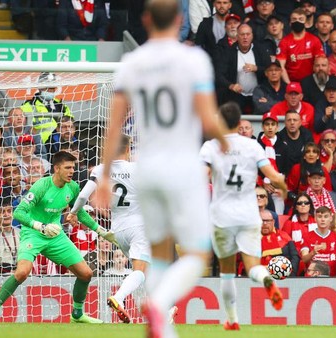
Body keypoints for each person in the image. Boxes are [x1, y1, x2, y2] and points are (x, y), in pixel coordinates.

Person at [97, 1, 230, 336]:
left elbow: (115, 127)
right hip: (182, 166)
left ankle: (158, 321)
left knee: (157, 253)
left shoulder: (132, 63)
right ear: (181, 21)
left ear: (145, 20)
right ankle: (159, 304)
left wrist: (105, 176)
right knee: (198, 254)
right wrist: (225, 142)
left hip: (149, 169)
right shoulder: (193, 59)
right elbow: (206, 115)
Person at [0, 151, 115, 323]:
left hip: (55, 235)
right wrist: (40, 226)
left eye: (73, 167)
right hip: (33, 234)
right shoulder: (41, 186)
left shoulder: (72, 187)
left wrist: (102, 231)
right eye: (67, 168)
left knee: (86, 274)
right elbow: (19, 213)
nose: (72, 171)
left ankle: (77, 314)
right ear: (57, 168)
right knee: (21, 273)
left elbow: (79, 213)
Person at [200, 102, 286, 330]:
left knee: (227, 273)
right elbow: (273, 177)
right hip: (248, 215)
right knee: (253, 267)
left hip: (222, 217)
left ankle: (233, 320)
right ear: (239, 124)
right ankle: (266, 279)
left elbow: (201, 176)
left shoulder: (211, 146)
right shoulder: (253, 146)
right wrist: (284, 188)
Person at [68, 135, 146, 323]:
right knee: (140, 270)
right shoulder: (137, 168)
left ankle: (160, 312)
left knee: (144, 272)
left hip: (117, 229)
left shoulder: (101, 169)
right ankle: (119, 298)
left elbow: (83, 195)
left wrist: (73, 213)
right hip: (139, 225)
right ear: (128, 149)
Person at [21, 72, 74, 144]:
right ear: (40, 88)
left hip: (60, 144)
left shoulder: (62, 106)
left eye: (52, 88)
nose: (50, 90)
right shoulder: (28, 105)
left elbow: (71, 125)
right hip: (39, 145)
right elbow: (20, 126)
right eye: (47, 87)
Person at [277, 8, 324, 83]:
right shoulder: (284, 42)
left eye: (301, 19)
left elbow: (321, 63)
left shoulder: (314, 40)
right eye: (294, 19)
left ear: (306, 23)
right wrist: (289, 84)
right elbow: (281, 66)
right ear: (290, 23)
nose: (297, 21)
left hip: (312, 82)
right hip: (292, 82)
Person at [300, 206, 336, 276]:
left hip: (332, 279)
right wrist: (313, 252)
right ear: (315, 218)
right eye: (319, 217)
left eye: (325, 217)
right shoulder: (306, 236)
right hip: (311, 280)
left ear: (331, 218)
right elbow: (304, 259)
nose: (322, 219)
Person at [260, 209, 300, 277]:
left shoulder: (284, 236)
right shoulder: (252, 239)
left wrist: (290, 273)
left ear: (273, 222)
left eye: (268, 221)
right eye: (262, 221)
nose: (265, 224)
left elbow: (295, 257)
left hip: (284, 275)